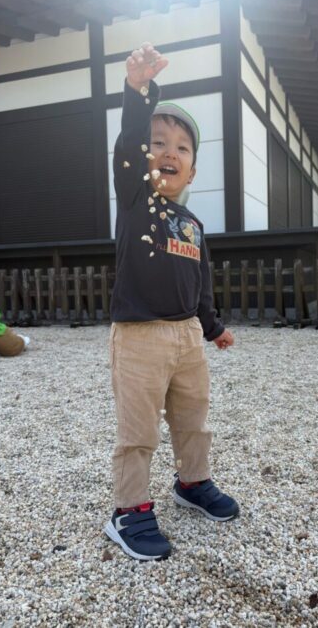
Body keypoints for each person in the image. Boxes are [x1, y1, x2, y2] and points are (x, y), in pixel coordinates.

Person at [105, 42, 239, 561]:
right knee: (138, 430)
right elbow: (128, 143)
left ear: (193, 171)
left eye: (182, 148)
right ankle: (130, 510)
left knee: (193, 419)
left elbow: (200, 283)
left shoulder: (194, 224)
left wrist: (212, 327)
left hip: (187, 337)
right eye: (157, 143)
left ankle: (192, 481)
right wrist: (139, 92)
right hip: (139, 335)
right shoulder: (135, 199)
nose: (169, 152)